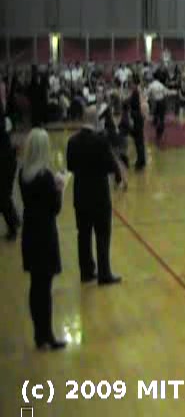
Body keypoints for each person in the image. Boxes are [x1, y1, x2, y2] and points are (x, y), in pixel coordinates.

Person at [19, 129, 67, 350]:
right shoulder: (45, 176)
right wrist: (60, 189)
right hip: (45, 234)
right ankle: (47, 334)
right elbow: (54, 208)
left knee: (35, 285)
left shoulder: (24, 174)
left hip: (30, 232)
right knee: (45, 288)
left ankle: (39, 333)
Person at [66, 105, 124, 285]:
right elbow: (110, 166)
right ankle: (104, 273)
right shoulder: (101, 141)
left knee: (83, 235)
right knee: (102, 234)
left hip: (80, 195)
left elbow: (70, 166)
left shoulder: (72, 141)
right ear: (96, 121)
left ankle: (86, 271)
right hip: (99, 196)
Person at [1, 82, 20, 241]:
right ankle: (15, 220)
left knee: (3, 196)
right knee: (5, 194)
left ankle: (13, 225)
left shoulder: (5, 114)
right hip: (8, 158)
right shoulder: (4, 115)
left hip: (5, 160)